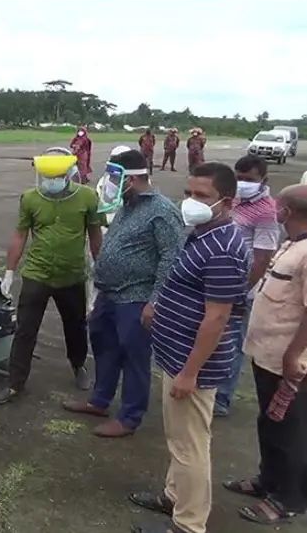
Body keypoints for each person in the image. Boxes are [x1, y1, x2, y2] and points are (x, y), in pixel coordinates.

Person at [129, 162, 250, 533]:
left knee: (190, 447)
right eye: (188, 193)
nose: (191, 202)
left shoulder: (226, 248)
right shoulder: (201, 233)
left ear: (226, 202)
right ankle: (173, 496)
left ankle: (188, 524)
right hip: (176, 354)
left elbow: (216, 319)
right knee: (180, 439)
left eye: (202, 196)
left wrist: (190, 372)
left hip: (192, 365)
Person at [63, 150, 183, 437]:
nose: (111, 184)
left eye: (116, 177)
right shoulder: (127, 205)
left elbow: (171, 258)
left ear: (131, 179)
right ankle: (99, 400)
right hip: (109, 294)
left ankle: (129, 417)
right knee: (104, 346)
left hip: (137, 296)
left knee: (134, 356)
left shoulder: (162, 211)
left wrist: (155, 302)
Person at [223, 184, 307, 526]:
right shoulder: (291, 243)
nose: (274, 209)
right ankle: (268, 481)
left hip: (287, 359)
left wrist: (294, 355)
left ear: (288, 211)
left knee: (290, 430)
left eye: (279, 205)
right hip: (266, 353)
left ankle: (289, 499)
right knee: (269, 423)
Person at [0, 150, 103, 405]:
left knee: (75, 326)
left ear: (69, 174)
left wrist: (99, 271)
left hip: (72, 274)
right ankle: (15, 383)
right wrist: (10, 271)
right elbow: (20, 235)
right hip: (37, 273)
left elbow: (95, 235)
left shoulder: (87, 197)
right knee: (25, 330)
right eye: (47, 177)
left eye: (57, 176)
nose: (51, 181)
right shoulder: (30, 198)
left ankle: (78, 365)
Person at [214, 155, 280, 417]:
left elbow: (263, 256)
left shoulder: (266, 211)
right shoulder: (234, 199)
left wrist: (242, 291)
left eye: (249, 179)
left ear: (263, 179)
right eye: (239, 178)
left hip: (241, 288)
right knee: (212, 338)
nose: (242, 184)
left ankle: (223, 397)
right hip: (218, 282)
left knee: (231, 343)